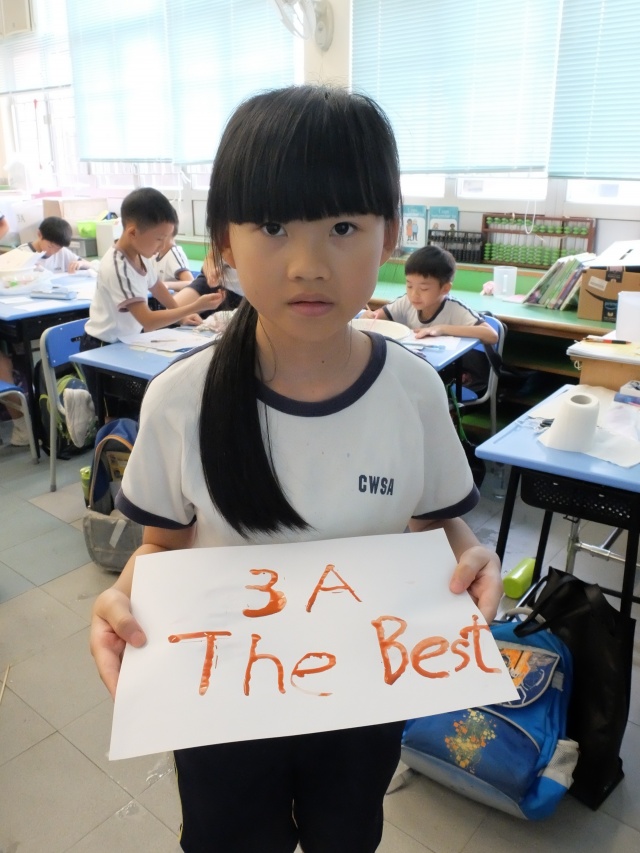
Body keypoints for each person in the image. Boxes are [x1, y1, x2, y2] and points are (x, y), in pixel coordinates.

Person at [90, 85, 502, 853]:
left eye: (343, 226)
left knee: (347, 837)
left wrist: (471, 555)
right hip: (221, 710)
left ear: (390, 235)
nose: (309, 265)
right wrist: (121, 597)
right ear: (224, 241)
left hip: (360, 706)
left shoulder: (414, 391)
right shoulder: (181, 399)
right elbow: (160, 550)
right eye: (274, 227)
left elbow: (439, 528)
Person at [80, 187, 220, 419]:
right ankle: (97, 426)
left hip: (127, 343)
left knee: (138, 404)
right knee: (111, 414)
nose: (163, 245)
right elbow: (148, 320)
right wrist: (195, 307)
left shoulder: (142, 255)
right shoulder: (118, 267)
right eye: (159, 238)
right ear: (133, 232)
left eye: (167, 238)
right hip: (102, 347)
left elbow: (158, 287)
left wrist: (181, 314)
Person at [363, 245, 499, 393]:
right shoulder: (406, 302)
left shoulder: (454, 308)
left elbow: (491, 335)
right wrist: (369, 317)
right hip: (413, 370)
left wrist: (442, 329)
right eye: (409, 286)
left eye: (424, 289)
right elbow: (377, 316)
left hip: (443, 376)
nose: (414, 295)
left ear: (445, 289)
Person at [173, 249, 243, 316]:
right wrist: (211, 273)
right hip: (216, 284)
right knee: (174, 311)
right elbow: (210, 257)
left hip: (242, 296)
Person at [17, 216, 91, 273]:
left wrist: (81, 264)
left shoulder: (62, 252)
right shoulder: (21, 253)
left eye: (58, 248)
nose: (52, 252)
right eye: (50, 246)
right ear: (39, 234)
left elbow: (91, 265)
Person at [154, 222, 194, 290]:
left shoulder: (174, 254)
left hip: (173, 295)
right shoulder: (153, 253)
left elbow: (191, 283)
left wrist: (166, 285)